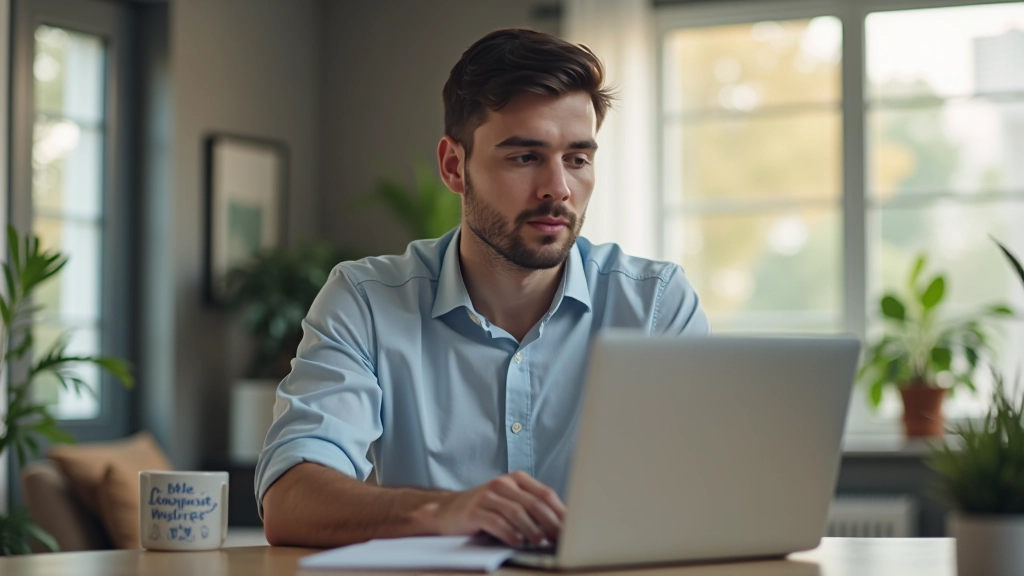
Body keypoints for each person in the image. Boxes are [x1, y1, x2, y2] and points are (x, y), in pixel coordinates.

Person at [257, 28, 710, 549]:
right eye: (525, 157)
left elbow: (710, 490)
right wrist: (445, 510)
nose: (558, 188)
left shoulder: (655, 306)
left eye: (577, 158)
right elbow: (291, 499)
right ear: (455, 166)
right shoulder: (367, 301)